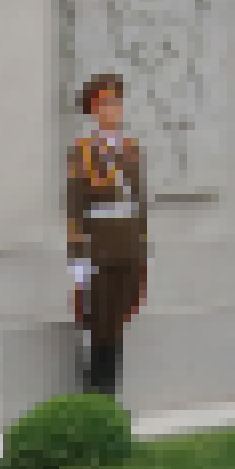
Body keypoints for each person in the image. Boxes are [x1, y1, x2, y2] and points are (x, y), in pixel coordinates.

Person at [67, 70, 148, 400]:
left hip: (127, 248)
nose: (112, 110)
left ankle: (111, 396)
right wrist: (77, 259)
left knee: (118, 323)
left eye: (116, 102)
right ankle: (96, 396)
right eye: (105, 103)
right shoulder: (83, 151)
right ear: (93, 109)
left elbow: (139, 203)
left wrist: (142, 250)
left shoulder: (131, 149)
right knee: (97, 327)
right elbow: (76, 206)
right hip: (98, 249)